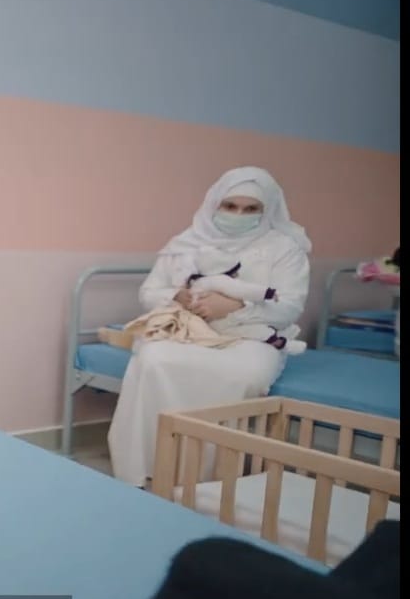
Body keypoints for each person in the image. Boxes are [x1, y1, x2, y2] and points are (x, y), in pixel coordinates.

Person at [107, 166, 311, 488]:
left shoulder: (284, 248)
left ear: (267, 209)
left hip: (250, 338)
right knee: (154, 360)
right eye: (230, 206)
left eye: (251, 209)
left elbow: (289, 307)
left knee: (244, 375)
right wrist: (178, 295)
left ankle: (208, 480)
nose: (238, 214)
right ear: (215, 203)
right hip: (189, 331)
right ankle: (147, 469)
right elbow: (148, 293)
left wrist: (236, 305)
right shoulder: (185, 243)